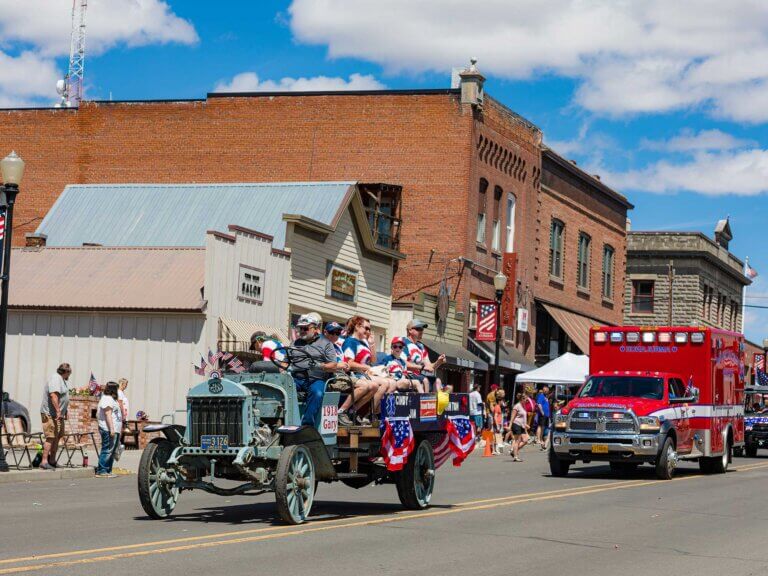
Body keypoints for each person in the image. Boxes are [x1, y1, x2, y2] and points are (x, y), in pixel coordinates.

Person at [290, 313, 348, 428]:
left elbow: (333, 365)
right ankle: (285, 422)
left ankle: (307, 426)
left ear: (315, 328)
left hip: (316, 379)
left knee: (317, 393)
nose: (302, 331)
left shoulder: (326, 344)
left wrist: (319, 365)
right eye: (300, 328)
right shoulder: (295, 343)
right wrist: (281, 368)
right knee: (282, 389)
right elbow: (285, 361)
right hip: (296, 378)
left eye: (305, 328)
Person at [341, 316, 392, 422]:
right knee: (385, 383)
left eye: (370, 329)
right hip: (355, 374)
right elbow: (348, 363)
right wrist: (367, 367)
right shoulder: (350, 342)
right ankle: (367, 414)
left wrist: (372, 344)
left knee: (390, 383)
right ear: (357, 327)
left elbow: (373, 360)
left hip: (365, 374)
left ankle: (357, 412)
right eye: (366, 328)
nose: (368, 331)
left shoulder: (363, 342)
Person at [39, 363, 72, 470]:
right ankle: (44, 462)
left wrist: (64, 411)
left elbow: (63, 397)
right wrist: (58, 411)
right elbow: (53, 395)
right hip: (50, 414)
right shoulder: (56, 379)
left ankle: (52, 460)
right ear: (65, 372)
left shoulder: (62, 380)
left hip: (58, 415)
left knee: (57, 437)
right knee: (50, 437)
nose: (69, 375)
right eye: (69, 373)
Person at [402, 320, 447, 393]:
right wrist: (421, 367)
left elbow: (430, 367)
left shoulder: (421, 346)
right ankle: (425, 402)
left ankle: (436, 404)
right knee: (425, 381)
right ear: (410, 330)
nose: (421, 331)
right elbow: (402, 363)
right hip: (407, 375)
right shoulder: (403, 343)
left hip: (419, 376)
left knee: (437, 381)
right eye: (418, 329)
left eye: (422, 329)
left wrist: (439, 362)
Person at [96, 382, 121, 478]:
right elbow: (108, 414)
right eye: (117, 389)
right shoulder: (107, 398)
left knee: (111, 451)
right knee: (107, 450)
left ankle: (108, 470)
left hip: (114, 429)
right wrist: (111, 429)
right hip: (107, 429)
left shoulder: (112, 399)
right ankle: (102, 470)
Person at [510, 391, 530, 462]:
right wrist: (509, 426)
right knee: (517, 441)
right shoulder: (517, 406)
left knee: (525, 440)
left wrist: (526, 424)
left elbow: (523, 417)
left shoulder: (523, 406)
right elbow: (512, 417)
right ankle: (515, 456)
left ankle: (513, 451)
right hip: (516, 424)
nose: (526, 400)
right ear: (522, 399)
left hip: (522, 425)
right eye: (525, 399)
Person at [536, 385, 551, 450]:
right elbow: (539, 404)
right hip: (543, 414)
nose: (546, 391)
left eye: (547, 390)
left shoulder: (545, 396)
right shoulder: (541, 395)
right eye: (545, 390)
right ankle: (538, 439)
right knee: (540, 426)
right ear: (543, 389)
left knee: (543, 427)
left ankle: (541, 438)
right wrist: (542, 412)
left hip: (546, 415)